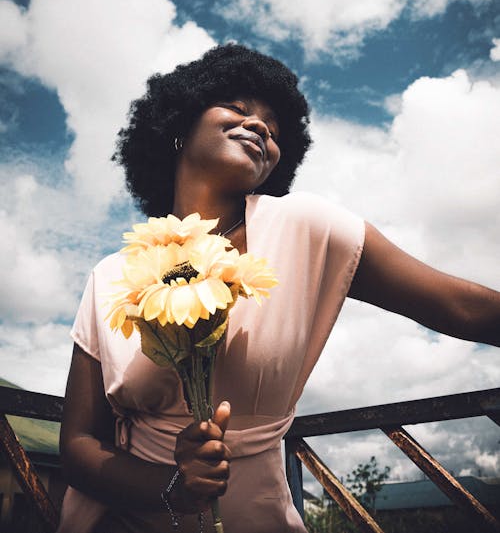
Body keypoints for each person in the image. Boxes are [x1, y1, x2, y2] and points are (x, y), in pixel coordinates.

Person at [57, 44, 500, 533]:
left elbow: (459, 306)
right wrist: (172, 488)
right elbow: (78, 445)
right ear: (178, 125)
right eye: (238, 108)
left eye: (274, 127)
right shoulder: (109, 276)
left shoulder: (306, 229)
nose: (260, 127)